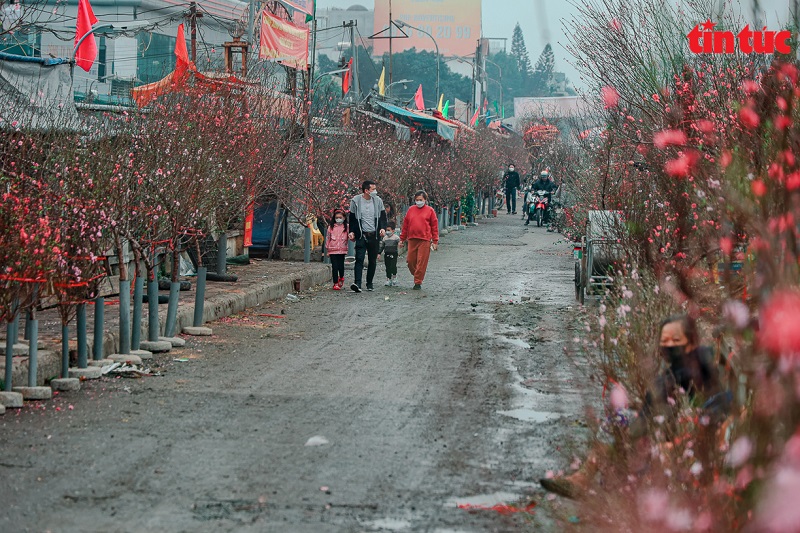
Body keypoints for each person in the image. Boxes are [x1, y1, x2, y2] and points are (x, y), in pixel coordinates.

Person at [540, 314, 729, 499]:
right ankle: (584, 478)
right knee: (618, 418)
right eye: (665, 340)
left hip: (673, 438)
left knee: (617, 421)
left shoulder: (693, 371)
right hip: (659, 429)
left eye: (676, 339)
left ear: (691, 342)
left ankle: (586, 479)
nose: (670, 344)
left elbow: (706, 405)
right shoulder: (681, 368)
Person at [348, 180, 388, 292]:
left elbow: (383, 217)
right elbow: (352, 218)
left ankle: (369, 283)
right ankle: (357, 283)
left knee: (372, 260)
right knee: (359, 258)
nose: (375, 191)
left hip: (374, 235)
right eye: (373, 189)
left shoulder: (378, 201)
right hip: (361, 234)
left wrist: (382, 228)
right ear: (366, 190)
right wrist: (352, 231)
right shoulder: (356, 201)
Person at [399, 190, 439, 290]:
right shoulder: (411, 210)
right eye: (417, 200)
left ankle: (418, 281)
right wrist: (402, 239)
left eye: (420, 200)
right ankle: (417, 274)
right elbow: (405, 225)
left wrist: (435, 241)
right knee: (410, 261)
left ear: (425, 200)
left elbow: (434, 226)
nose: (418, 202)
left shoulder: (430, 211)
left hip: (424, 239)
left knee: (421, 261)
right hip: (412, 239)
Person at [326, 208, 349, 290]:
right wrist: (327, 249)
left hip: (342, 250)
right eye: (337, 218)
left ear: (344, 218)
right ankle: (335, 282)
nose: (338, 219)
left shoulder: (346, 227)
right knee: (334, 267)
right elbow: (328, 238)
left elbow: (350, 237)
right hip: (333, 249)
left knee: (341, 266)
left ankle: (341, 277)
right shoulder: (331, 227)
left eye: (340, 217)